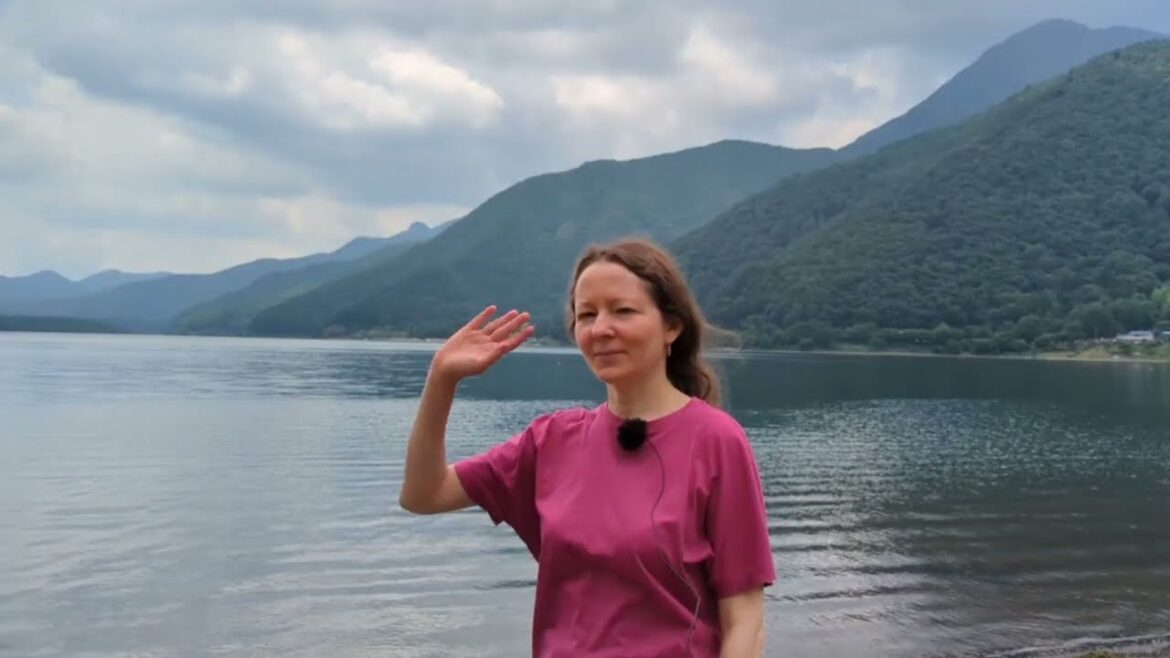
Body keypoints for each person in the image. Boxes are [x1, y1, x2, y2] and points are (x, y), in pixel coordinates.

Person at [398, 238, 775, 657]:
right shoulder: (551, 441)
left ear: (672, 326)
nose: (601, 329)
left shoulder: (716, 441)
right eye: (587, 315)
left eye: (623, 311)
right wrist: (441, 380)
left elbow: (744, 622)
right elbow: (423, 494)